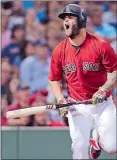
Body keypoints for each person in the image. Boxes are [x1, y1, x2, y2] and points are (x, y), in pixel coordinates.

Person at [48, 4, 117, 160]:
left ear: (81, 21)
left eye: (70, 17)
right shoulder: (59, 50)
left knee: (112, 147)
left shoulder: (101, 45)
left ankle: (97, 140)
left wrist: (103, 89)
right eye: (64, 18)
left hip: (102, 103)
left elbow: (114, 73)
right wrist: (60, 99)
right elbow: (54, 79)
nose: (66, 21)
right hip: (76, 105)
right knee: (79, 148)